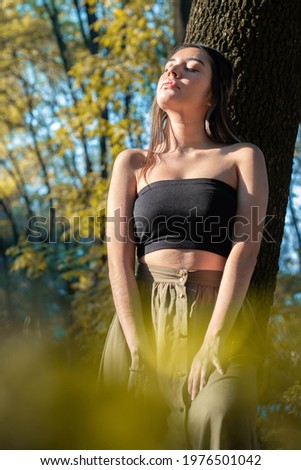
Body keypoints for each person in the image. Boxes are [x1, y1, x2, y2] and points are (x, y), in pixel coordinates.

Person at [99, 43, 269, 450]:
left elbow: (246, 250)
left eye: (191, 69)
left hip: (218, 311)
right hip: (142, 312)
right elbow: (118, 258)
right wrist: (136, 342)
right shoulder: (133, 162)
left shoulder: (242, 157)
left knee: (219, 412)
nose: (173, 73)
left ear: (212, 96)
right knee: (135, 436)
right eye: (169, 67)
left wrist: (213, 338)